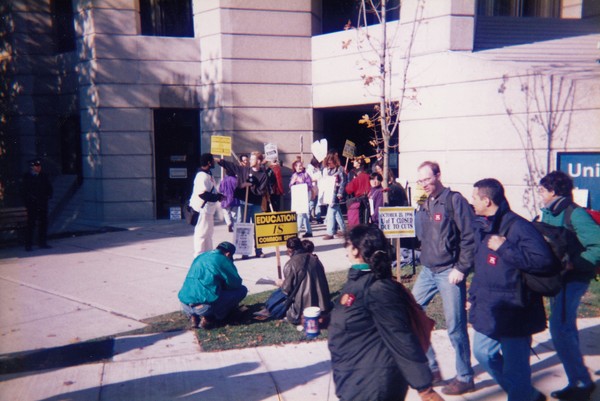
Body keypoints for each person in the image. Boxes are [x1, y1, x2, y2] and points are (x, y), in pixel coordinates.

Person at [328, 225, 444, 401]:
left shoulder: (379, 288)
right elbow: (357, 316)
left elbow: (401, 337)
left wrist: (424, 389)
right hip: (355, 378)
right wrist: (327, 320)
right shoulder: (358, 281)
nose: (345, 249)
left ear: (355, 249)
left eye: (347, 244)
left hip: (373, 385)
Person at [469, 178, 555, 401]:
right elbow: (482, 268)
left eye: (475, 197)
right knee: (483, 353)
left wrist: (505, 247)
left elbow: (544, 261)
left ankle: (521, 394)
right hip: (490, 306)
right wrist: (473, 297)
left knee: (516, 370)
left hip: (515, 308)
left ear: (487, 200)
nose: (472, 201)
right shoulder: (484, 224)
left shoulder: (519, 226)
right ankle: (526, 394)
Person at [411, 161, 475, 395]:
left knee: (455, 327)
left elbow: (470, 237)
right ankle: (433, 368)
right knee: (410, 314)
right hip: (428, 271)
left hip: (450, 271)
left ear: (438, 176)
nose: (424, 184)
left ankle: (465, 376)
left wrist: (462, 267)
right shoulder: (426, 203)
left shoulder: (454, 201)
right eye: (420, 181)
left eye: (427, 179)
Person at [538, 171, 599, 401]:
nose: (540, 194)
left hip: (573, 280)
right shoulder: (548, 214)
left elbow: (598, 246)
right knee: (566, 328)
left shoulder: (576, 215)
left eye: (542, 190)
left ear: (553, 192)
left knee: (560, 329)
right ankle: (580, 379)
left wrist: (575, 264)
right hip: (558, 280)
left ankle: (581, 383)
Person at [178, 241, 248, 329]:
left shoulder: (201, 256)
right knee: (242, 290)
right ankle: (209, 317)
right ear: (228, 254)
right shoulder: (223, 259)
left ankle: (193, 316)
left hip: (185, 303)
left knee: (204, 295)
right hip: (204, 307)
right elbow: (235, 283)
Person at [216, 151, 269, 258]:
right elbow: (231, 166)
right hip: (244, 203)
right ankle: (244, 251)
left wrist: (250, 185)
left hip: (256, 204)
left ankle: (258, 251)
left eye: (253, 159)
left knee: (257, 228)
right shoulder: (244, 170)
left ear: (258, 161)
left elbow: (260, 191)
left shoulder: (263, 175)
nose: (250, 161)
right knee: (243, 228)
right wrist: (219, 161)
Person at [275, 237, 332, 324]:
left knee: (277, 300)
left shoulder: (290, 264)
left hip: (301, 313)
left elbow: (286, 290)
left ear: (289, 250)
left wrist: (280, 283)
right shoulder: (315, 259)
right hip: (323, 307)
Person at [190, 153, 222, 257]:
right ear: (209, 163)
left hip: (208, 210)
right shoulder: (201, 176)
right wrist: (217, 197)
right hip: (202, 210)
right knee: (201, 234)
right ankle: (198, 256)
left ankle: (208, 255)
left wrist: (219, 196)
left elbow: (210, 191)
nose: (214, 163)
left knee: (208, 234)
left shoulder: (208, 174)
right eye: (212, 161)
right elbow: (202, 194)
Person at [21, 158, 53, 251]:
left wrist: (49, 195)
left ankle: (42, 243)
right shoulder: (27, 177)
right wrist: (28, 200)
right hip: (32, 205)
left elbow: (49, 187)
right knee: (31, 224)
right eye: (36, 166)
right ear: (32, 167)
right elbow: (23, 191)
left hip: (42, 203)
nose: (38, 168)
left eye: (39, 166)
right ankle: (28, 245)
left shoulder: (43, 176)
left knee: (43, 223)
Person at [321, 151, 346, 240]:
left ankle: (330, 232)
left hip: (335, 193)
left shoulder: (340, 169)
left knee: (331, 211)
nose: (328, 164)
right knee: (337, 213)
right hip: (329, 193)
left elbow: (343, 181)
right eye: (327, 162)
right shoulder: (328, 170)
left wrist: (340, 193)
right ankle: (344, 230)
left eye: (330, 162)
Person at [289, 159, 313, 238]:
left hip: (304, 196)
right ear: (295, 167)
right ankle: (309, 231)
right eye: (298, 166)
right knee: (304, 214)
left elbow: (309, 186)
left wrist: (301, 181)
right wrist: (292, 182)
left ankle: (297, 232)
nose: (300, 167)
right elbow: (290, 186)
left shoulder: (306, 174)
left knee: (300, 214)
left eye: (301, 166)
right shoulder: (293, 175)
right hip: (297, 197)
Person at [345, 156, 371, 226]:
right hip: (368, 198)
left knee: (360, 218)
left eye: (355, 161)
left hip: (359, 198)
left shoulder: (357, 177)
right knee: (367, 217)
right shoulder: (368, 175)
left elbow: (348, 189)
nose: (353, 162)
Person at [219, 168, 240, 232]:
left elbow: (221, 190)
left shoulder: (223, 180)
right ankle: (234, 225)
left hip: (225, 199)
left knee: (226, 213)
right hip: (235, 199)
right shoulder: (236, 180)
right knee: (235, 214)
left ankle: (229, 223)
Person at [306, 157, 323, 224]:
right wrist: (316, 179)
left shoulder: (318, 169)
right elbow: (308, 179)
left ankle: (318, 217)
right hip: (312, 188)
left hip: (318, 188)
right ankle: (308, 216)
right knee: (311, 203)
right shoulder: (309, 169)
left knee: (318, 203)